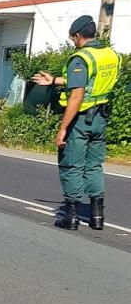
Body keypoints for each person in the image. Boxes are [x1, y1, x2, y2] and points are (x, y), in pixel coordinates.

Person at [33, 15, 120, 230]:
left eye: (73, 38)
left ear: (79, 36)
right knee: (94, 165)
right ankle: (97, 216)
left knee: (71, 165)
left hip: (81, 120)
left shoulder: (81, 58)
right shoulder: (111, 55)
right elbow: (91, 82)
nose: (73, 42)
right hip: (101, 119)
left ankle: (71, 217)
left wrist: (63, 128)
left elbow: (77, 95)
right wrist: (54, 80)